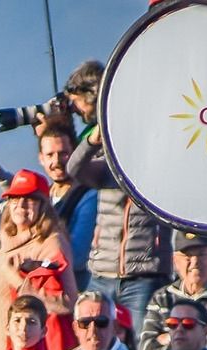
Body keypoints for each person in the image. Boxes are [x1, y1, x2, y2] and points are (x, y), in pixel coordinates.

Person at [67, 95, 172, 327]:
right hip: (102, 274)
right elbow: (74, 169)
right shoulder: (108, 166)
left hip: (144, 275)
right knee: (90, 336)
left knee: (142, 343)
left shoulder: (164, 170)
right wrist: (92, 141)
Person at [0, 169, 78, 350]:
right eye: (14, 199)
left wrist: (17, 281)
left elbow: (68, 302)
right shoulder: (7, 242)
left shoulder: (50, 243)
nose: (21, 205)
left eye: (30, 199)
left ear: (44, 205)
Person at [37, 123, 97, 288]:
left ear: (75, 154)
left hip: (76, 290)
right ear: (41, 158)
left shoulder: (89, 196)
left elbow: (76, 256)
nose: (56, 161)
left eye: (63, 154)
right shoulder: (43, 198)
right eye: (50, 155)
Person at [2, 295, 67, 350]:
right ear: (7, 328)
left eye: (31, 322)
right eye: (17, 320)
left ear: (43, 332)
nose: (23, 328)